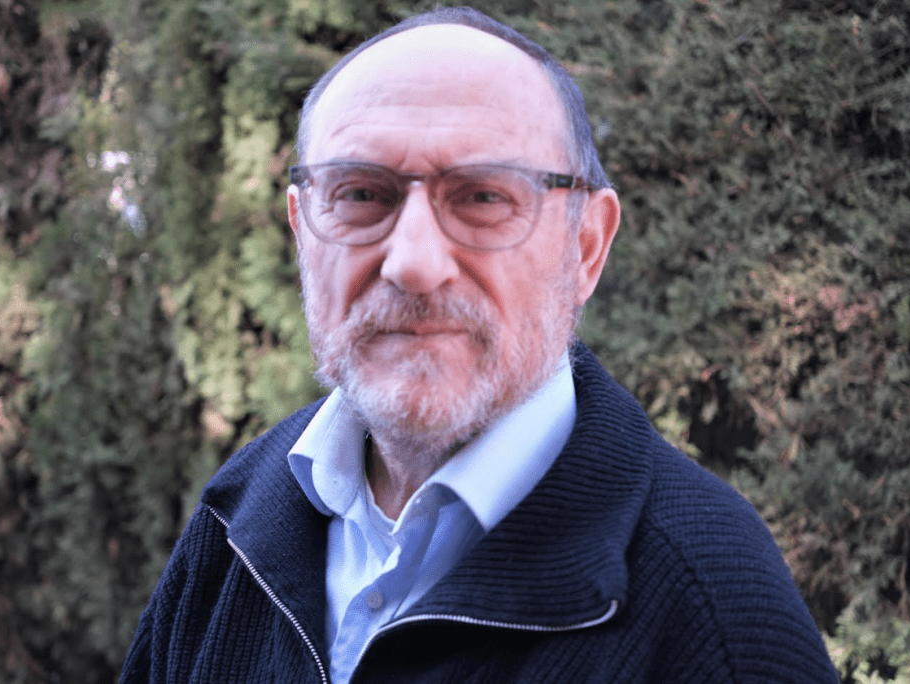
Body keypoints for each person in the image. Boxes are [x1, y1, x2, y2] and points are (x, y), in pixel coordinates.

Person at [120, 7, 840, 683]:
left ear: (586, 247)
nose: (413, 262)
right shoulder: (235, 522)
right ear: (302, 230)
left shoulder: (718, 617)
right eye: (362, 195)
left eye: (484, 197)